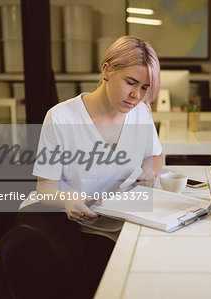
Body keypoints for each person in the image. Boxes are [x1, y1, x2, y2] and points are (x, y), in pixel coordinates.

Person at [18, 35, 163, 298]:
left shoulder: (140, 113)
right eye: (130, 83)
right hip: (67, 220)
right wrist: (68, 200)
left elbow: (155, 156)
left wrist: (150, 170)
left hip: (118, 220)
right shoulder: (61, 117)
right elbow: (45, 189)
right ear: (106, 70)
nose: (136, 95)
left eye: (144, 88)